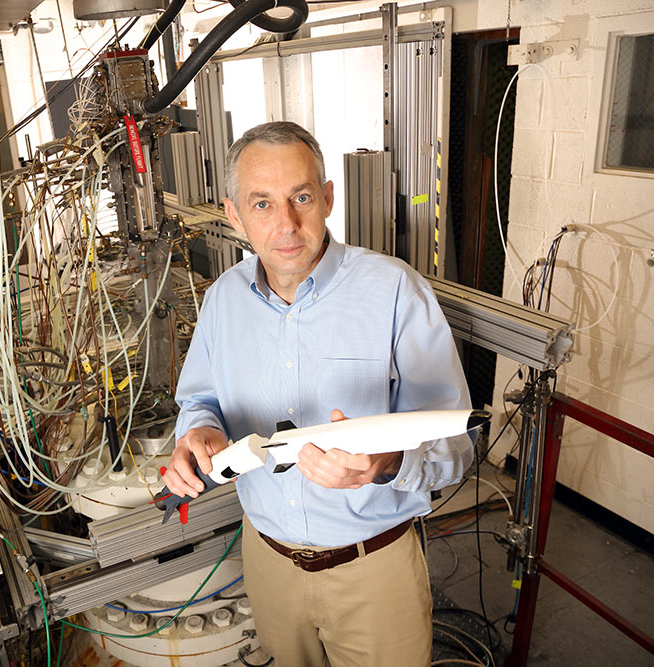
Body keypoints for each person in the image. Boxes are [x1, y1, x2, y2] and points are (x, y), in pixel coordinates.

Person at [163, 121, 474, 666]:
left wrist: (386, 463)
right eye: (261, 204)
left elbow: (456, 444)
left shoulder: (394, 291)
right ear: (234, 215)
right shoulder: (222, 301)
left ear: (328, 198)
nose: (286, 223)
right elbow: (199, 399)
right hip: (267, 562)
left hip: (372, 571)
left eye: (301, 197)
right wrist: (201, 430)